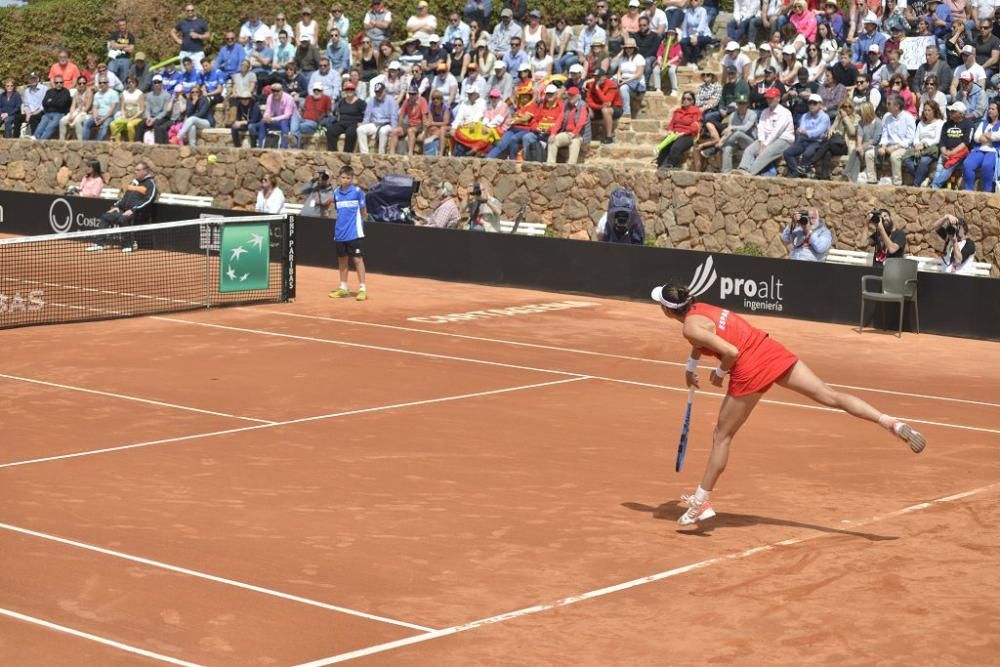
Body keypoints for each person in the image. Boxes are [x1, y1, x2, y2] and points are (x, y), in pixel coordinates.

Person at [649, 281, 926, 527]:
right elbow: (704, 336)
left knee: (722, 436)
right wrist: (691, 364)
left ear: (667, 310)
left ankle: (701, 502)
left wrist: (720, 373)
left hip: (749, 367)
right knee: (829, 395)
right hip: (769, 350)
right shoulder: (701, 308)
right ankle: (889, 422)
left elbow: (729, 351)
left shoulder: (689, 327)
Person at [88, 161, 158, 253]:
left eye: (138, 170)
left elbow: (149, 201)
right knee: (106, 216)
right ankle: (99, 244)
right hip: (124, 211)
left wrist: (133, 210)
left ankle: (129, 244)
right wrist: (116, 206)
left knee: (123, 219)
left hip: (139, 213)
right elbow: (125, 198)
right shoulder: (133, 183)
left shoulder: (150, 184)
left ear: (145, 171)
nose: (135, 172)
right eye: (135, 170)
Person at [328, 166, 369, 302]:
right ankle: (343, 287)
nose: (345, 180)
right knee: (342, 260)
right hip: (339, 233)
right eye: (343, 177)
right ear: (339, 178)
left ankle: (362, 289)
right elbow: (339, 212)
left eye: (348, 178)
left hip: (354, 232)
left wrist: (359, 226)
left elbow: (363, 212)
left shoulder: (358, 192)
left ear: (352, 178)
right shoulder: (336, 193)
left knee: (357, 260)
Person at [738, 87, 794, 174]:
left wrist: (764, 145)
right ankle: (743, 169)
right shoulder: (765, 112)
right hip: (766, 139)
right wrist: (761, 142)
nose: (769, 100)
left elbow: (777, 131)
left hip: (783, 140)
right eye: (768, 98)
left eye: (771, 98)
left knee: (765, 153)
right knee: (749, 150)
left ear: (778, 98)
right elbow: (761, 128)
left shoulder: (785, 113)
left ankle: (749, 173)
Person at [931, 101, 976, 187]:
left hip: (960, 153)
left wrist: (952, 153)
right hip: (946, 151)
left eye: (953, 111)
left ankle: (935, 185)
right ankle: (935, 186)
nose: (950, 113)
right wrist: (944, 152)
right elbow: (942, 141)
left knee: (949, 166)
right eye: (950, 111)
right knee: (940, 166)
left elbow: (966, 142)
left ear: (961, 113)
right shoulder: (947, 124)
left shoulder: (969, 124)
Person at [903, 100, 945, 187]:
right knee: (906, 159)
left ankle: (916, 184)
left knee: (923, 161)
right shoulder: (921, 123)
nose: (926, 112)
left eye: (929, 110)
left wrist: (925, 144)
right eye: (925, 110)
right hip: (919, 147)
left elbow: (937, 139)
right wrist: (917, 145)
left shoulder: (940, 123)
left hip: (932, 148)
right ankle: (924, 178)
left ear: (935, 111)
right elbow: (916, 137)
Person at [657, 90, 702, 169]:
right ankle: (660, 166)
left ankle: (671, 166)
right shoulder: (678, 111)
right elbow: (672, 123)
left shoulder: (696, 112)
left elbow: (695, 127)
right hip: (675, 134)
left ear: (693, 101)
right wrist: (670, 131)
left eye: (689, 99)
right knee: (664, 146)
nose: (686, 101)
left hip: (688, 135)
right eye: (684, 98)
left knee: (676, 147)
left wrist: (682, 134)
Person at [547, 85, 591, 164]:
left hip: (580, 134)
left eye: (572, 95)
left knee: (575, 142)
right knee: (552, 141)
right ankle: (550, 164)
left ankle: (571, 166)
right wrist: (553, 133)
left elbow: (581, 121)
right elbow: (559, 120)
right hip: (567, 133)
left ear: (578, 96)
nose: (570, 97)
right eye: (569, 95)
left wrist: (574, 133)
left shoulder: (583, 105)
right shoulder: (566, 104)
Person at [357, 81, 398, 154]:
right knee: (360, 130)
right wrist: (364, 124)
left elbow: (393, 116)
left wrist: (394, 128)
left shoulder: (391, 100)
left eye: (380, 92)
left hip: (387, 124)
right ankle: (364, 153)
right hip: (375, 124)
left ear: (384, 91)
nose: (378, 94)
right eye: (377, 92)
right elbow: (367, 114)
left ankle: (381, 154)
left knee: (382, 131)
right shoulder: (372, 100)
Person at [327, 81, 366, 152]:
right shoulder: (342, 101)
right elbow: (337, 112)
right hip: (342, 123)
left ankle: (347, 154)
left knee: (350, 133)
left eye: (351, 89)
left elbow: (366, 114)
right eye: (347, 89)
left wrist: (363, 122)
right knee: (330, 131)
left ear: (354, 91)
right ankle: (333, 153)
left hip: (354, 123)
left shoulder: (360, 102)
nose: (349, 91)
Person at [33, 74, 72, 140]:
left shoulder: (66, 92)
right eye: (56, 82)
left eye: (61, 82)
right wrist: (56, 101)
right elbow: (44, 103)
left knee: (50, 127)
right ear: (54, 83)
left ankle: (41, 141)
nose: (59, 84)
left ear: (63, 83)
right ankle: (36, 139)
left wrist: (51, 101)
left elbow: (61, 104)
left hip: (59, 113)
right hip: (47, 113)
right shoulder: (49, 91)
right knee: (40, 127)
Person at [82, 76, 119, 141]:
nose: (102, 84)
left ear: (108, 83)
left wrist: (103, 119)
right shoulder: (97, 94)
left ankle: (97, 143)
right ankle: (85, 143)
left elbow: (112, 109)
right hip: (98, 116)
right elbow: (95, 107)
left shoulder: (114, 93)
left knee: (105, 125)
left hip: (109, 116)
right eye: (100, 83)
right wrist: (96, 118)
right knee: (87, 123)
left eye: (104, 82)